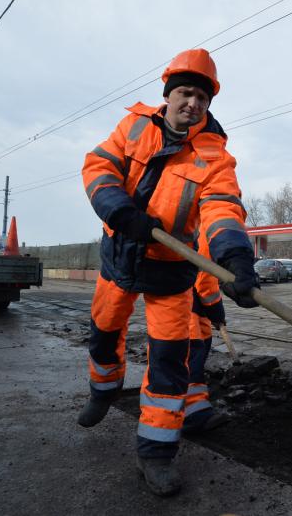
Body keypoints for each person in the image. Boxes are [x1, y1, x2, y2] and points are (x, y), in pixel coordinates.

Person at [78, 48, 258, 496]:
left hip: (172, 274)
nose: (192, 103)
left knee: (168, 367)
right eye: (184, 93)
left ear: (207, 105)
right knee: (104, 333)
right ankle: (103, 389)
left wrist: (236, 259)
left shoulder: (216, 157)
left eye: (201, 97)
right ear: (168, 95)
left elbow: (222, 210)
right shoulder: (135, 126)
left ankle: (156, 454)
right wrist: (120, 211)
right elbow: (99, 167)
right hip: (120, 256)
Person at [183, 242, 227, 433]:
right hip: (184, 306)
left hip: (190, 305)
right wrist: (217, 314)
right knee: (189, 357)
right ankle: (192, 414)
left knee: (194, 352)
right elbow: (205, 282)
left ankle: (192, 407)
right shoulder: (204, 235)